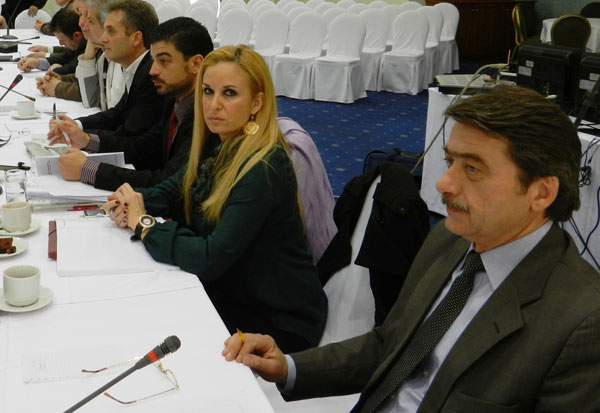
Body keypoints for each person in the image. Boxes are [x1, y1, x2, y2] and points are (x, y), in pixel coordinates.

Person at [222, 85, 600, 411]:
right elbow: (393, 343)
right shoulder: (450, 240)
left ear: (541, 192)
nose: (443, 183)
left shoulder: (581, 323)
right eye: (450, 161)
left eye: (472, 169)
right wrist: (288, 367)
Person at [102, 45, 328, 353]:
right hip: (231, 289)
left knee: (145, 324)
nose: (213, 105)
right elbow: (171, 191)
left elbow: (209, 258)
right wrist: (130, 202)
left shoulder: (264, 166)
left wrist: (144, 224)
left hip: (276, 318)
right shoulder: (219, 143)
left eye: (229, 93)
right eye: (207, 91)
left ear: (257, 103)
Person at [54, 17, 212, 191]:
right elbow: (145, 147)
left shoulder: (208, 117)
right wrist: (87, 140)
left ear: (196, 64)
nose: (153, 70)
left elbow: (168, 183)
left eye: (164, 61)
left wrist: (87, 170)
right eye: (153, 60)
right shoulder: (174, 100)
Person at [47, 0, 162, 142]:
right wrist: (76, 125)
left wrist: (88, 140)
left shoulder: (150, 75)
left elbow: (131, 137)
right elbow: (116, 114)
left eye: (110, 31)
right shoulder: (134, 66)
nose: (103, 38)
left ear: (136, 38)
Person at [18, 9, 85, 74]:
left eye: (62, 40)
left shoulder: (86, 48)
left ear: (77, 36)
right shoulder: (77, 45)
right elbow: (65, 58)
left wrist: (53, 69)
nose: (60, 44)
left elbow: (71, 68)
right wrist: (37, 63)